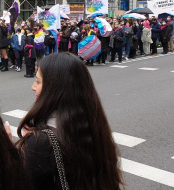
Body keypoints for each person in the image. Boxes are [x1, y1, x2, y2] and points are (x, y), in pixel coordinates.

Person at [15, 53, 123, 190]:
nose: (33, 87)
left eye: (38, 81)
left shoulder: (41, 142)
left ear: (54, 88)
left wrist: (13, 155)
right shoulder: (93, 123)